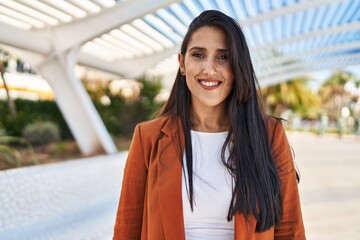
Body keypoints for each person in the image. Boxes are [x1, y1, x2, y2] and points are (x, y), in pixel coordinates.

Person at [113, 10, 305, 240]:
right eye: (198, 55)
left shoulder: (269, 134)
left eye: (223, 57)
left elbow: (290, 231)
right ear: (182, 63)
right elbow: (127, 228)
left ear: (237, 67)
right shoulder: (149, 137)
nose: (209, 69)